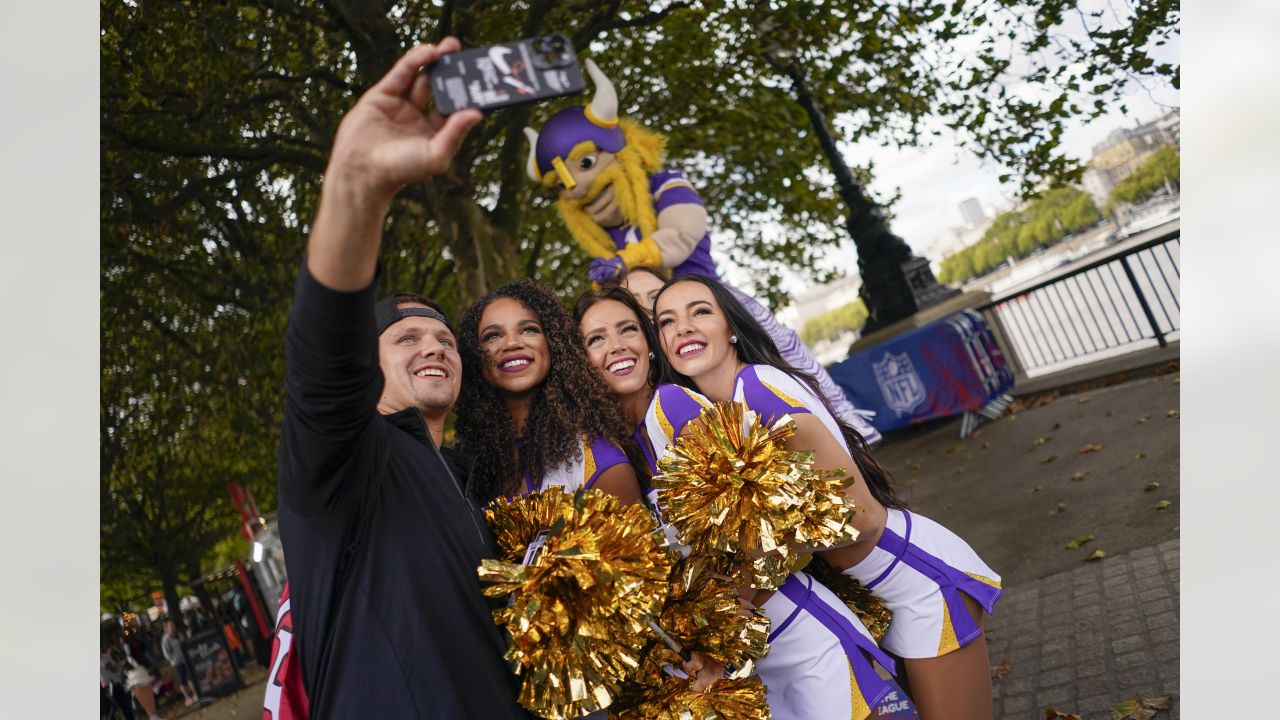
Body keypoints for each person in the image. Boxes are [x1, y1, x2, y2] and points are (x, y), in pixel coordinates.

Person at [274, 37, 530, 718]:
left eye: (445, 339)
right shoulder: (344, 460)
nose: (435, 348)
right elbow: (322, 362)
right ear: (367, 361)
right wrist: (359, 186)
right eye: (407, 337)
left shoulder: (467, 481)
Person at [652, 275, 1002, 720]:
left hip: (919, 583)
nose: (682, 326)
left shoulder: (759, 390)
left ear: (732, 327)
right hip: (878, 591)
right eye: (667, 320)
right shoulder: (726, 411)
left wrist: (756, 570)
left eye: (700, 311)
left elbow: (864, 516)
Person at [574, 286, 900, 719]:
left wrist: (718, 640)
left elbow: (763, 526)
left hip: (798, 636)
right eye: (596, 339)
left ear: (650, 345)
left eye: (628, 329)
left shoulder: (673, 406)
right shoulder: (620, 444)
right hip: (751, 654)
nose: (616, 346)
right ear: (581, 364)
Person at [524, 60, 882, 447]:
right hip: (663, 334)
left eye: (587, 165)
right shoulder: (606, 236)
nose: (578, 187)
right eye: (561, 185)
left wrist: (627, 261)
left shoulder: (665, 185)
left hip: (716, 305)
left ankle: (846, 427)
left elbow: (682, 234)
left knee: (781, 356)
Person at [454, 278, 643, 505]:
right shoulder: (463, 469)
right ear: (475, 357)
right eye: (492, 336)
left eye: (528, 330)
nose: (512, 343)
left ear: (554, 344)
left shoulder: (597, 459)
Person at [162, 621, 198, 706]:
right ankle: (187, 697)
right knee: (183, 680)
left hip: (185, 659)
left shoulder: (179, 635)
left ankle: (195, 694)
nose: (173, 627)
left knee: (190, 677)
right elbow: (167, 654)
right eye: (171, 626)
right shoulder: (166, 639)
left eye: (173, 626)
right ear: (167, 628)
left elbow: (185, 643)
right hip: (177, 663)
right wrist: (174, 659)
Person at [101, 641, 136, 720]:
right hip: (108, 687)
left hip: (116, 683)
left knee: (125, 706)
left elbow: (113, 667)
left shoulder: (105, 656)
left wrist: (118, 665)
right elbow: (112, 668)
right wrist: (121, 664)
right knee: (111, 711)